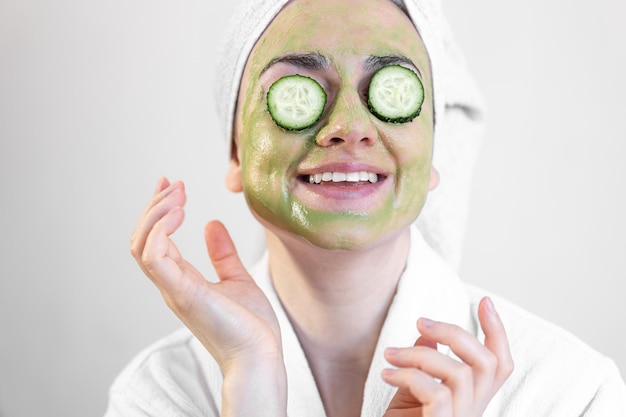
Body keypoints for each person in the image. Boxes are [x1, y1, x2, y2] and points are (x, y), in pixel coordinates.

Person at [105, 0, 626, 415]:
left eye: (391, 91)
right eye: (299, 90)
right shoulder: (158, 396)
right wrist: (252, 387)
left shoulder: (571, 392)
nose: (349, 126)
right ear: (237, 152)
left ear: (434, 149)